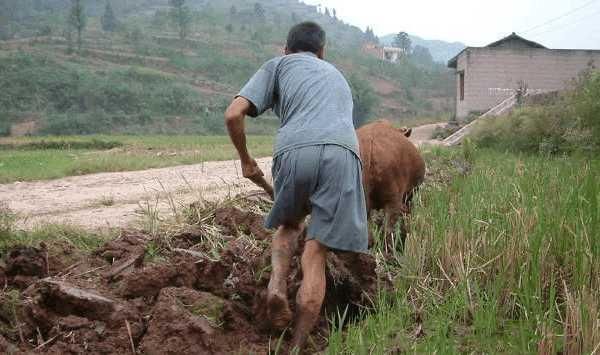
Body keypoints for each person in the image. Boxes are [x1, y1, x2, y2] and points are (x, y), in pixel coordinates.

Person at [224, 21, 368, 350]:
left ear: (286, 49)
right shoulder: (337, 76)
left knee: (288, 225)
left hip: (294, 150)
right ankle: (298, 344)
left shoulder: (278, 65)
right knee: (316, 251)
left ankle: (276, 287)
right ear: (322, 52)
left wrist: (246, 159)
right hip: (343, 153)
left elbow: (233, 114)